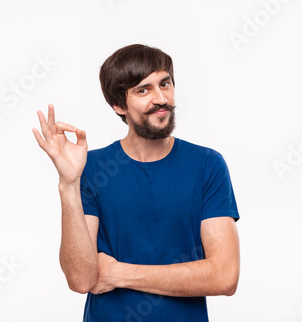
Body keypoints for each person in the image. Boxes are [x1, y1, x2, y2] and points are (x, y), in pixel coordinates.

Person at [32, 44, 240, 321]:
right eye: (143, 90)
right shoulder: (92, 168)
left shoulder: (207, 165)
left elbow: (224, 276)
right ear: (119, 105)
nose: (161, 98)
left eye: (165, 84)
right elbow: (81, 279)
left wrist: (118, 273)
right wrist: (69, 183)